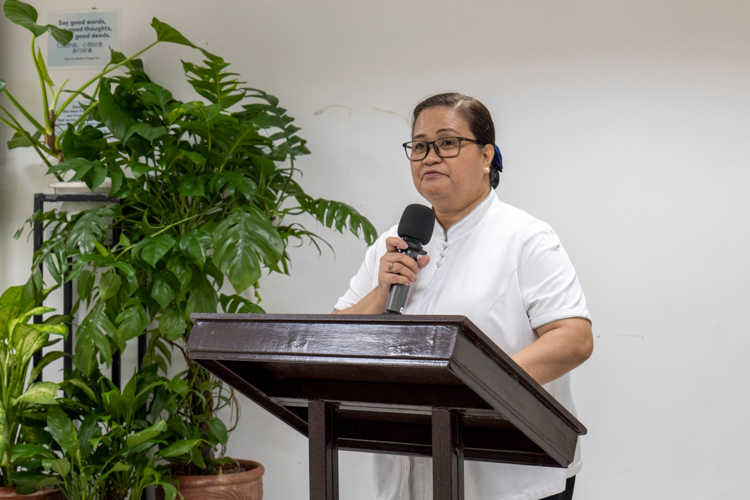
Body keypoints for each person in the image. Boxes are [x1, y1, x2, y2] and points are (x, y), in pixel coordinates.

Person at [332, 92, 593, 500]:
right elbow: (329, 340)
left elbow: (573, 338)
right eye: (419, 146)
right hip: (408, 463)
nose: (429, 156)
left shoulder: (525, 238)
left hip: (508, 470)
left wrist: (474, 387)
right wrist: (380, 293)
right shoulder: (393, 242)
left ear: (487, 155)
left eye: (447, 142)